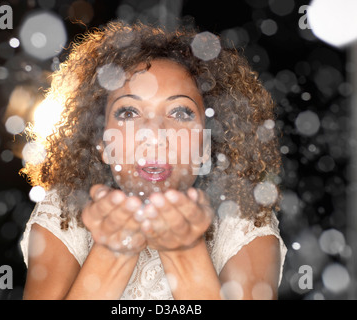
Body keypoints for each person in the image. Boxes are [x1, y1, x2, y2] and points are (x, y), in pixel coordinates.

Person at [20, 21, 287, 300]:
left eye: (180, 113)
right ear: (101, 141)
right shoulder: (64, 211)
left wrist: (184, 252)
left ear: (206, 144)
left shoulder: (244, 218)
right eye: (129, 113)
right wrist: (113, 252)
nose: (154, 135)